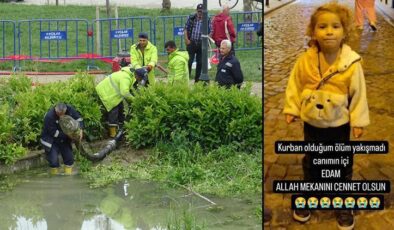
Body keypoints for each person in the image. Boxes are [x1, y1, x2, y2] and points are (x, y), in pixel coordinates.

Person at [283, 3, 369, 229]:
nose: (329, 31)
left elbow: (359, 93)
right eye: (322, 26)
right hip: (312, 123)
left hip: (339, 125)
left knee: (341, 161)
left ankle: (343, 203)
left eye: (335, 26)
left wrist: (358, 121)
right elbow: (295, 84)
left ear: (345, 31)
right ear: (313, 31)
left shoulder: (351, 64)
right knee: (312, 160)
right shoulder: (305, 60)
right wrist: (292, 108)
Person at [95, 66, 143, 138]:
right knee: (114, 112)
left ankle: (120, 131)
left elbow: (126, 92)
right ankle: (113, 134)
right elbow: (125, 93)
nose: (140, 81)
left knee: (121, 111)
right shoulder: (126, 78)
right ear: (137, 76)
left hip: (111, 92)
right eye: (140, 79)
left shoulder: (130, 75)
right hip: (107, 93)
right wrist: (135, 100)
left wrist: (131, 101)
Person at [40, 103, 84, 175]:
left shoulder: (70, 109)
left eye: (62, 113)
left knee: (69, 159)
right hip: (51, 140)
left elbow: (79, 119)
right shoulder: (49, 116)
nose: (60, 115)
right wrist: (69, 135)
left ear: (65, 110)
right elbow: (54, 133)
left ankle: (68, 177)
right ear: (55, 110)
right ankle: (54, 178)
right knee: (54, 162)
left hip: (64, 139)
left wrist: (80, 130)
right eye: (58, 113)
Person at [184, 3, 211, 83]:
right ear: (196, 11)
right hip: (191, 42)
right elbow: (185, 28)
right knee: (189, 61)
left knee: (200, 63)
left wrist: (206, 42)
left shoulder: (208, 19)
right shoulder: (191, 17)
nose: (200, 14)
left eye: (202, 12)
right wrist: (186, 40)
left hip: (201, 44)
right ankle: (186, 78)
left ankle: (197, 81)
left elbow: (211, 31)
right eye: (199, 11)